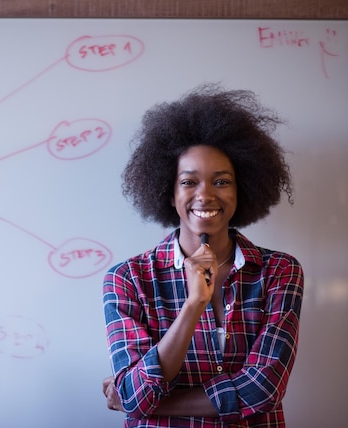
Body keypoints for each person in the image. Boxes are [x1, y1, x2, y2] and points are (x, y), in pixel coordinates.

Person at [101, 83, 304, 427]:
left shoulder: (279, 271)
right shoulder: (128, 278)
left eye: (222, 181)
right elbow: (136, 393)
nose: (205, 195)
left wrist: (149, 405)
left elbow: (264, 389)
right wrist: (194, 304)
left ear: (243, 190)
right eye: (188, 182)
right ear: (168, 191)